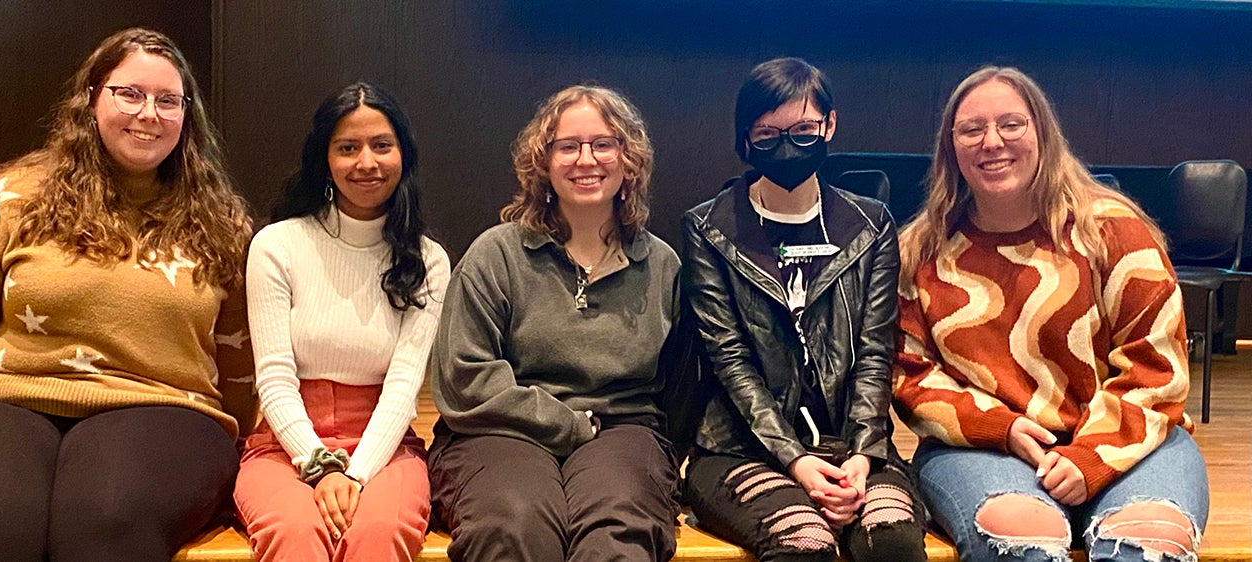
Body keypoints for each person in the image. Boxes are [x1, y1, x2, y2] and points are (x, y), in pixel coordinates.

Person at [0, 28, 256, 561]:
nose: (149, 114)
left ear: (187, 115)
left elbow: (242, 363)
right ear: (91, 100)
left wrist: (255, 463)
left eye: (168, 100)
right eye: (130, 94)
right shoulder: (7, 203)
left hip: (166, 412)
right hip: (2, 401)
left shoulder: (221, 224)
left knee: (103, 525)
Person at [893, 66, 1208, 562]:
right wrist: (999, 427)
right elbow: (910, 374)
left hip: (1132, 440)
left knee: (1150, 541)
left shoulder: (1112, 231)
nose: (991, 142)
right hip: (984, 445)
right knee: (1020, 538)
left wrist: (1090, 456)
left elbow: (1156, 365)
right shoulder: (919, 251)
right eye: (971, 130)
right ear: (950, 147)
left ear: (1043, 132)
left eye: (1011, 124)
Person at [678, 57, 927, 562]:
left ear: (829, 125)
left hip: (854, 445)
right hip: (741, 446)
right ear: (746, 139)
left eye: (804, 130)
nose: (788, 146)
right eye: (768, 135)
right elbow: (729, 361)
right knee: (804, 543)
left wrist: (862, 454)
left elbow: (875, 352)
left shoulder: (871, 224)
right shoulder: (708, 227)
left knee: (891, 540)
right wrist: (795, 460)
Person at [426, 84, 680, 562]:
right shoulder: (496, 255)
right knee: (514, 522)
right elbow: (464, 379)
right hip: (499, 432)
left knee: (617, 529)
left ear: (629, 159)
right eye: (568, 146)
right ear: (542, 163)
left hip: (619, 431)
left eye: (603, 144)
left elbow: (680, 388)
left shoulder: (662, 265)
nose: (586, 159)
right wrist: (568, 425)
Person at [231, 82, 449, 562]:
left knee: (379, 531)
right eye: (348, 148)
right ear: (325, 160)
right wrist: (320, 465)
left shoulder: (428, 259)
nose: (366, 162)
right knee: (294, 531)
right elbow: (274, 376)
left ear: (404, 155)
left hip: (384, 445)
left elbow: (404, 386)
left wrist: (354, 473)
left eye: (382, 146)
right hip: (285, 441)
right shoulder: (277, 245)